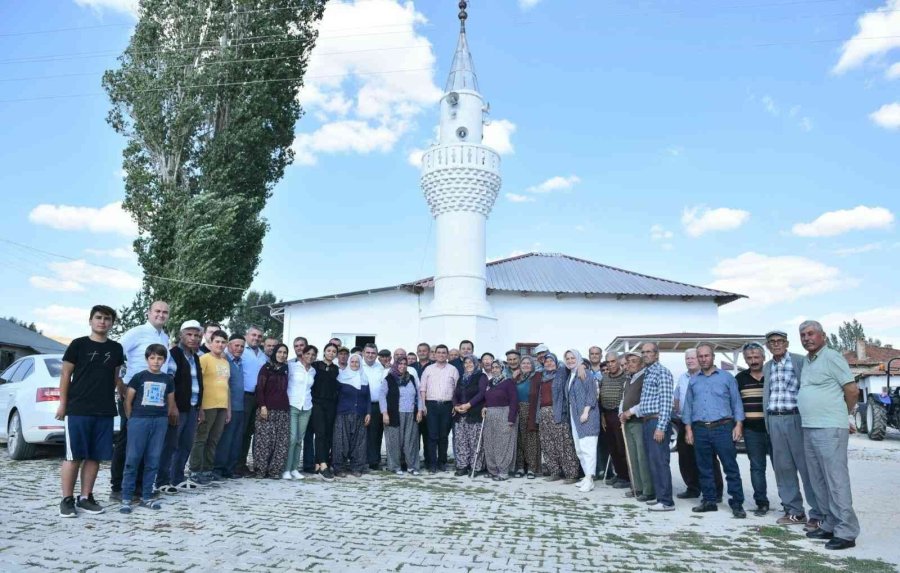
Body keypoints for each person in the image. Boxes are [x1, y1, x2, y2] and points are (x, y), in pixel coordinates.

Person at [796, 320, 860, 551]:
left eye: (811, 333)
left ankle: (847, 531)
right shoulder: (807, 361)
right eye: (803, 335)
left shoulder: (831, 356)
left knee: (836, 480)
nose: (806, 338)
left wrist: (842, 414)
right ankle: (830, 523)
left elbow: (852, 390)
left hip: (830, 428)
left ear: (823, 336)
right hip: (810, 427)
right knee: (818, 480)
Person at [56, 305, 125, 518]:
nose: (102, 322)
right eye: (98, 317)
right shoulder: (78, 345)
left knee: (95, 456)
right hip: (78, 408)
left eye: (107, 319)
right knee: (74, 455)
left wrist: (123, 391)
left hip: (104, 410)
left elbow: (116, 377)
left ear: (112, 323)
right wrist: (63, 404)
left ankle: (86, 497)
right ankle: (67, 500)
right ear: (90, 320)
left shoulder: (116, 348)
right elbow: (65, 375)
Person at [763, 329, 823, 530]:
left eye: (780, 341)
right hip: (774, 419)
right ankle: (795, 512)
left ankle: (818, 513)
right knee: (783, 468)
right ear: (768, 346)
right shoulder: (767, 367)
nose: (776, 344)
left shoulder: (800, 361)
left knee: (807, 468)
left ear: (787, 344)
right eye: (772, 342)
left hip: (796, 418)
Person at [111, 300, 170, 501]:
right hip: (133, 393)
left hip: (154, 398)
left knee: (147, 444)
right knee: (127, 442)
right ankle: (118, 487)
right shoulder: (136, 332)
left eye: (165, 312)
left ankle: (139, 487)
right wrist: (119, 383)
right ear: (148, 312)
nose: (161, 315)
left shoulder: (164, 336)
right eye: (157, 311)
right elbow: (116, 355)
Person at [683, 343, 747, 518]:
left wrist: (739, 425)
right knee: (704, 467)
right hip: (700, 429)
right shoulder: (694, 380)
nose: (703, 359)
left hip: (723, 428)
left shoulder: (727, 378)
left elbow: (736, 403)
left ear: (713, 357)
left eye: (706, 356)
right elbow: (688, 406)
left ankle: (737, 503)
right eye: (700, 356)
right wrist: (688, 429)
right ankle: (709, 500)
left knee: (730, 467)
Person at [120, 344, 177, 513]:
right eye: (152, 358)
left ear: (164, 360)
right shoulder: (139, 377)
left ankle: (146, 496)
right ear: (147, 359)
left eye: (159, 358)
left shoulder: (168, 379)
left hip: (159, 421)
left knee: (153, 459)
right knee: (133, 459)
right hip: (139, 420)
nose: (156, 361)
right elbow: (128, 400)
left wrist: (164, 418)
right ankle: (126, 497)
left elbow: (170, 402)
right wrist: (132, 419)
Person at [621, 342, 675, 512]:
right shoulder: (649, 373)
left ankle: (666, 502)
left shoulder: (662, 373)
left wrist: (661, 427)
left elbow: (666, 403)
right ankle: (659, 497)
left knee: (660, 462)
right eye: (643, 352)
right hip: (646, 421)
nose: (645, 355)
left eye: (649, 352)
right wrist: (629, 411)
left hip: (656, 422)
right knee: (653, 462)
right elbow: (645, 403)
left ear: (657, 354)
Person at [156, 320, 204, 494]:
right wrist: (172, 406)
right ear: (181, 335)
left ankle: (177, 478)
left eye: (197, 335)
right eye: (189, 334)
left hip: (192, 407)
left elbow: (198, 382)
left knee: (185, 444)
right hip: (177, 407)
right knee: (170, 444)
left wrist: (200, 407)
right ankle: (162, 480)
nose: (193, 338)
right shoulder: (173, 354)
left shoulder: (195, 357)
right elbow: (169, 381)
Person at [673, 349, 724, 501]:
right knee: (685, 457)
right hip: (684, 421)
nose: (690, 361)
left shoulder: (709, 376)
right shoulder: (683, 377)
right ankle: (693, 487)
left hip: (702, 423)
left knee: (708, 457)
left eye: (693, 358)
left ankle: (715, 491)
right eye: (687, 358)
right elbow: (676, 397)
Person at [189, 330, 231, 484]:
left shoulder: (225, 362)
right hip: (207, 406)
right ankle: (194, 471)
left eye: (223, 342)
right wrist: (199, 406)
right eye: (217, 341)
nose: (220, 345)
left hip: (222, 406)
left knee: (214, 439)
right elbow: (198, 384)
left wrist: (228, 409)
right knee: (201, 438)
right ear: (211, 342)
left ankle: (207, 470)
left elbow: (227, 386)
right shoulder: (204, 359)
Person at [737, 342, 772, 516]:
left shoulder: (773, 375)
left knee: (782, 467)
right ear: (745, 359)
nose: (753, 360)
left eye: (756, 357)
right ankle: (762, 503)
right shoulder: (740, 378)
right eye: (749, 358)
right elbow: (736, 405)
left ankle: (790, 505)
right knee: (757, 467)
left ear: (763, 357)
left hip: (774, 429)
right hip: (752, 430)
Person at [538, 353, 580, 483]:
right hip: (544, 413)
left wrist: (582, 366)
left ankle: (571, 474)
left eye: (551, 361)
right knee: (548, 444)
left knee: (563, 443)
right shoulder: (542, 377)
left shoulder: (561, 373)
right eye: (546, 361)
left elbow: (572, 365)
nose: (549, 363)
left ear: (557, 362)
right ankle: (554, 472)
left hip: (558, 412)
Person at [619, 352, 654, 501]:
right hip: (627, 422)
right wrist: (621, 413)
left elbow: (645, 401)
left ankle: (648, 490)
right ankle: (636, 487)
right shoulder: (628, 380)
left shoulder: (645, 378)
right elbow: (623, 399)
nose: (630, 364)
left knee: (642, 457)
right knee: (632, 456)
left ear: (641, 364)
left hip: (639, 422)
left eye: (634, 361)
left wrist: (629, 412)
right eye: (629, 362)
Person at [564, 349, 600, 493]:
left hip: (587, 415)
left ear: (578, 358)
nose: (570, 360)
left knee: (588, 448)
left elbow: (592, 394)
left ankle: (590, 479)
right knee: (579, 448)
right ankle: (586, 476)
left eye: (573, 358)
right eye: (568, 358)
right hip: (575, 417)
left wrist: (585, 412)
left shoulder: (585, 373)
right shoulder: (571, 374)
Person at [380, 356, 424, 475]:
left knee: (411, 441)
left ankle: (412, 467)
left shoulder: (412, 378)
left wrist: (420, 410)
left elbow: (419, 396)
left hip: (411, 413)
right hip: (394, 414)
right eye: (400, 363)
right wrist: (384, 413)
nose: (402, 366)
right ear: (396, 364)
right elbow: (382, 396)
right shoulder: (388, 379)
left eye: (405, 364)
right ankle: (395, 466)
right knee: (394, 442)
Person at [253, 343, 291, 479]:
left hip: (283, 410)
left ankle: (275, 470)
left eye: (285, 352)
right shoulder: (266, 368)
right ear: (275, 353)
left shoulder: (287, 369)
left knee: (281, 442)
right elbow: (259, 389)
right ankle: (260, 470)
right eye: (279, 352)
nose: (282, 355)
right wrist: (262, 406)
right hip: (267, 409)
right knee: (264, 441)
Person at [420, 344, 460, 472]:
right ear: (435, 354)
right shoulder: (428, 369)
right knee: (432, 436)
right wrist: (423, 405)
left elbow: (457, 389)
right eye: (439, 352)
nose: (441, 355)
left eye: (444, 353)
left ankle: (442, 462)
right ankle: (431, 463)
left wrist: (455, 405)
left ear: (447, 355)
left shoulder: (453, 369)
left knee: (443, 436)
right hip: (431, 405)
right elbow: (422, 389)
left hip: (447, 406)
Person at [212, 334, 245, 480]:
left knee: (236, 440)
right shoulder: (224, 361)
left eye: (242, 346)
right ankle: (218, 469)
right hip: (228, 406)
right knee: (225, 440)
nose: (239, 348)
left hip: (241, 406)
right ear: (229, 345)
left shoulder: (240, 362)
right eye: (236, 345)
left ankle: (229, 469)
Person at [333, 354, 371, 477]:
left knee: (359, 443)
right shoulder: (341, 378)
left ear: (360, 364)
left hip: (360, 414)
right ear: (349, 363)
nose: (354, 364)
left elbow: (368, 398)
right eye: (352, 362)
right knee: (341, 442)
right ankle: (339, 468)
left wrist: (369, 413)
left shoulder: (364, 378)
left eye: (357, 362)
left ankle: (357, 467)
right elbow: (336, 397)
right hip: (343, 414)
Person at [237, 325, 267, 477]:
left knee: (249, 432)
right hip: (244, 396)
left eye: (259, 336)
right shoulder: (241, 351)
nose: (256, 338)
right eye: (253, 335)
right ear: (247, 335)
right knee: (240, 431)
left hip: (258, 398)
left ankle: (242, 463)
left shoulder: (263, 356)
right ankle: (235, 464)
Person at [481, 360, 518, 481]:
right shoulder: (490, 383)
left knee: (503, 443)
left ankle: (503, 471)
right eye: (493, 367)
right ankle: (493, 470)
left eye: (497, 367)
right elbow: (487, 398)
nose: (495, 369)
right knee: (490, 442)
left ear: (502, 368)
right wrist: (485, 406)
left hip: (504, 414)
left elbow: (513, 400)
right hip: (490, 416)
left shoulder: (508, 382)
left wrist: (511, 419)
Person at [599, 351, 631, 490]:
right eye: (608, 362)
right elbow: (600, 397)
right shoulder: (604, 378)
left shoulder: (625, 378)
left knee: (621, 447)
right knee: (612, 448)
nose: (611, 364)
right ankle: (619, 474)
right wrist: (602, 416)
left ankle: (626, 477)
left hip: (619, 415)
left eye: (613, 361)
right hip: (606, 415)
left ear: (618, 362)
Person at [452, 355, 488, 476]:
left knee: (474, 441)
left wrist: (469, 405)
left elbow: (482, 393)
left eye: (470, 362)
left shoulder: (481, 376)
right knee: (461, 441)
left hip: (474, 413)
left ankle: (475, 467)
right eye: (466, 362)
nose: (468, 364)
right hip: (460, 414)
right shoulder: (461, 378)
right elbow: (455, 394)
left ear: (476, 364)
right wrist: (456, 405)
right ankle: (462, 465)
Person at [284, 344, 316, 480]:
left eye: (313, 355)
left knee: (299, 439)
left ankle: (294, 468)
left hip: (306, 407)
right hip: (293, 405)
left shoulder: (313, 371)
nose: (310, 356)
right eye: (307, 354)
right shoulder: (292, 367)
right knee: (291, 438)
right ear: (302, 354)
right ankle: (286, 469)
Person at [311, 343, 341, 480]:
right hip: (317, 403)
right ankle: (323, 465)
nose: (331, 353)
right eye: (329, 350)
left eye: (334, 351)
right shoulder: (316, 366)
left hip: (331, 404)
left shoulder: (336, 369)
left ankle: (318, 463)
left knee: (328, 433)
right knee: (320, 433)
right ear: (324, 352)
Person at [514, 355, 541, 479]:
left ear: (532, 365)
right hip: (517, 410)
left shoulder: (537, 377)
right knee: (519, 439)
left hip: (531, 409)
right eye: (523, 363)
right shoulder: (516, 378)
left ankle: (531, 468)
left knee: (531, 439)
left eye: (528, 363)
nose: (525, 365)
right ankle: (520, 467)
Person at [588, 346, 611, 481]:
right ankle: (594, 470)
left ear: (601, 355)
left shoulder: (605, 370)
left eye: (597, 354)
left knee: (604, 441)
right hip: (589, 410)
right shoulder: (585, 370)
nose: (595, 356)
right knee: (591, 442)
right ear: (589, 355)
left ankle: (606, 470)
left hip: (604, 409)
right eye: (592, 354)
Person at [361, 343, 386, 471]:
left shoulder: (380, 367)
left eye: (373, 353)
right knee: (362, 433)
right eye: (368, 352)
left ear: (376, 355)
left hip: (377, 404)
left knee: (375, 433)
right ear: (363, 353)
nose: (370, 355)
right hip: (362, 404)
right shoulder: (358, 365)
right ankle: (361, 460)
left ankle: (374, 461)